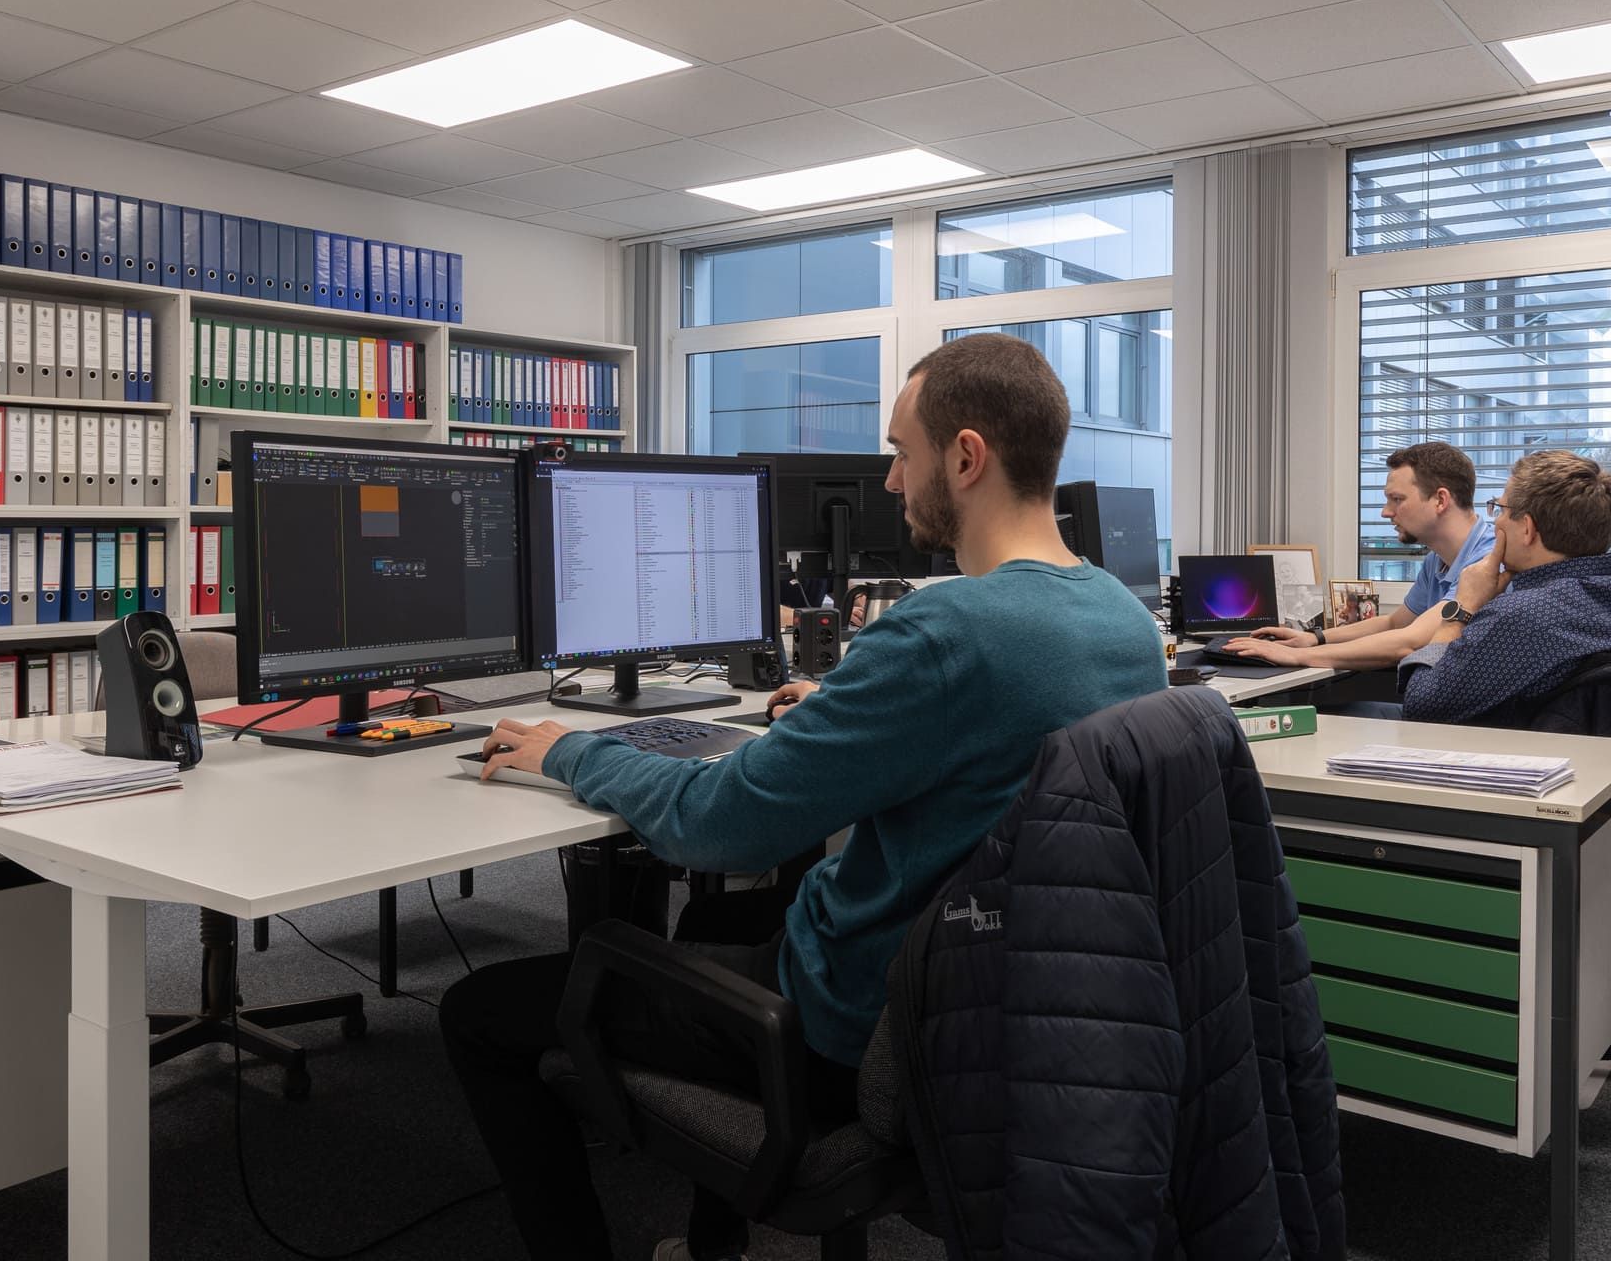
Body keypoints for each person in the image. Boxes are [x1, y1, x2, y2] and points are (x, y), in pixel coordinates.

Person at [439, 333, 1168, 1261]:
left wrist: (574, 751)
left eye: (901, 453)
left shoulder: (943, 632)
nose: (892, 481)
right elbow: (988, 728)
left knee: (479, 1012)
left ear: (966, 457)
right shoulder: (1121, 618)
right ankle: (713, 1244)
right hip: (1006, 1011)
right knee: (712, 924)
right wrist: (850, 701)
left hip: (851, 1026)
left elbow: (719, 826)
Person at [1223, 442, 1492, 669]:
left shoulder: (1488, 561)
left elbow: (1409, 641)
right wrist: (1314, 638)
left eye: (1397, 499)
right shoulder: (1439, 560)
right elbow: (1394, 623)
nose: (1385, 512)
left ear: (1441, 500)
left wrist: (1296, 656)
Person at [1402, 450, 1611, 726]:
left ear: (1527, 529)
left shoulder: (1522, 616)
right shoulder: (1596, 596)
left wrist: (1462, 609)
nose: (1496, 521)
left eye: (1501, 509)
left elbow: (1420, 706)